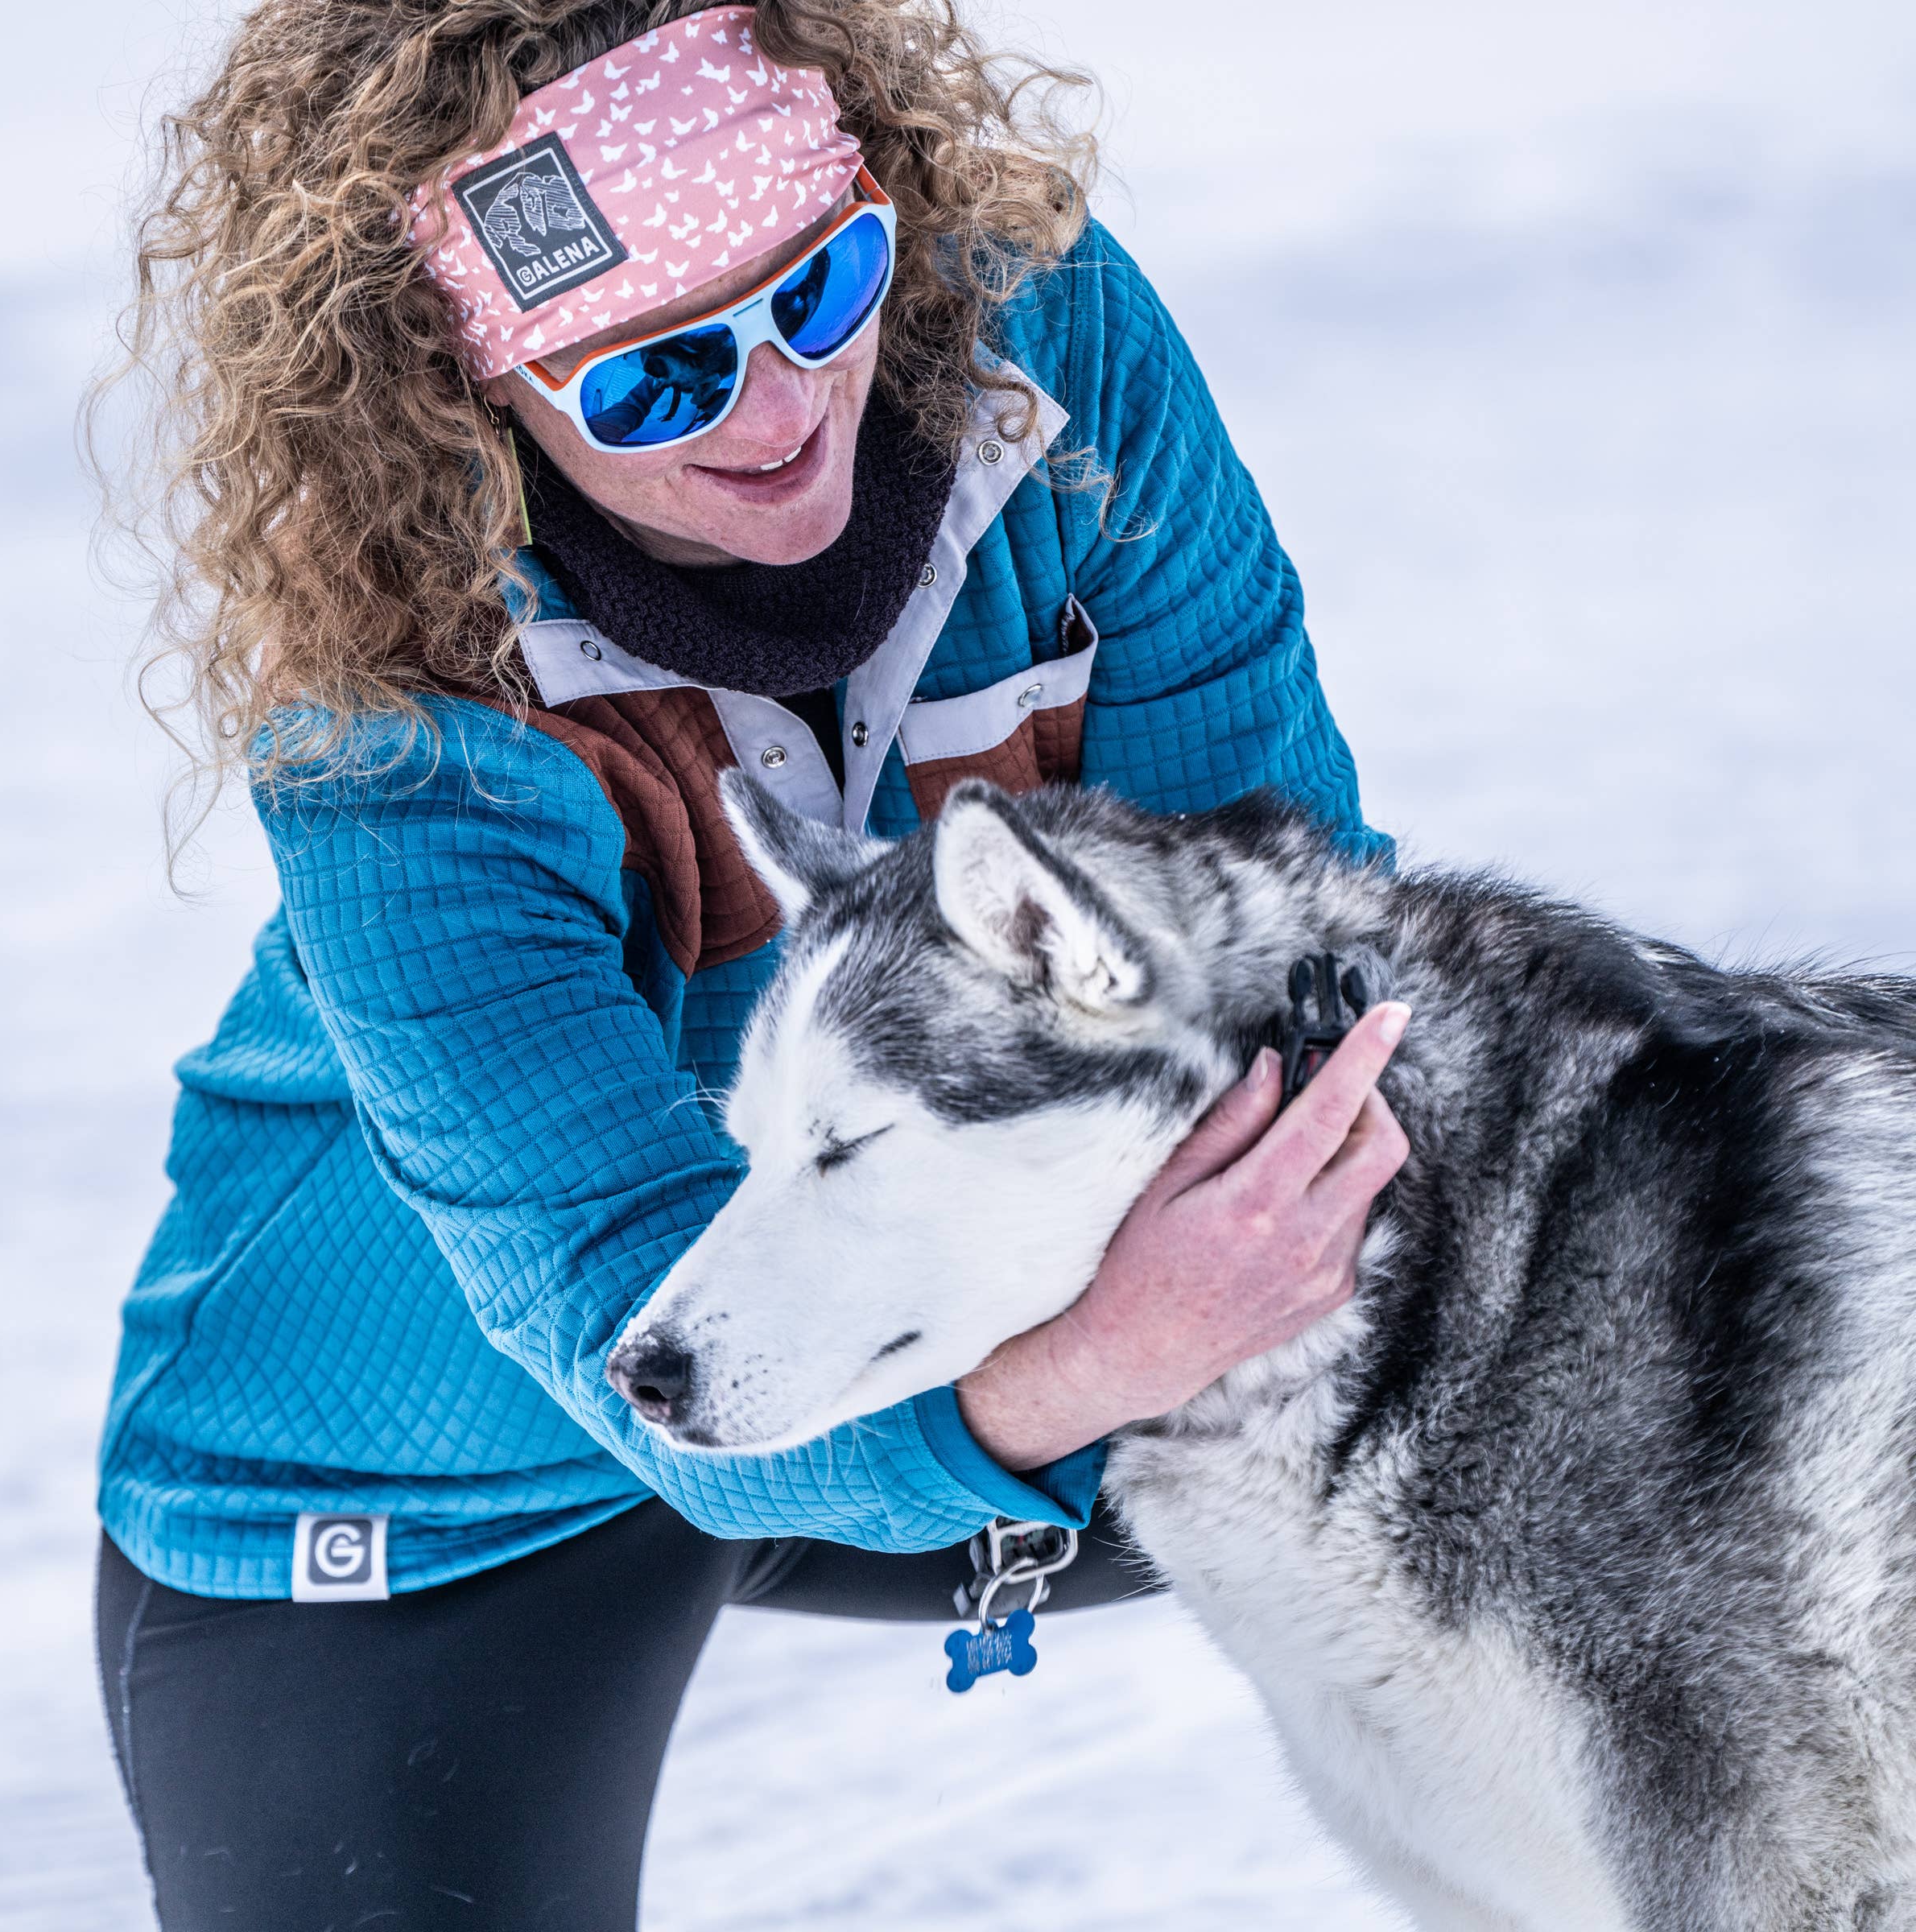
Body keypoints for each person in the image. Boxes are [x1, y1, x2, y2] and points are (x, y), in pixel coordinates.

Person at [91, 1, 1412, 1925]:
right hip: (436, 1470)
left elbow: (1280, 922)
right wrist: (1097, 1361)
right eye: (655, 381)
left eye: (824, 286)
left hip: (959, 1332)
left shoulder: (1044, 346)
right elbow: (613, 1302)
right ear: (469, 392)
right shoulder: (393, 707)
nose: (784, 408)